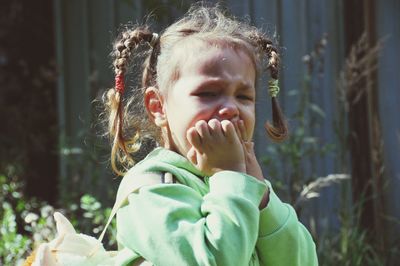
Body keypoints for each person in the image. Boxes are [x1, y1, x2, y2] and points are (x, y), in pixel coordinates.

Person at [27, 4, 318, 266]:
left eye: (244, 96)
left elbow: (302, 261)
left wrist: (262, 197)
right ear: (158, 106)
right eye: (208, 93)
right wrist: (229, 176)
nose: (230, 108)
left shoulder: (240, 185)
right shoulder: (151, 189)